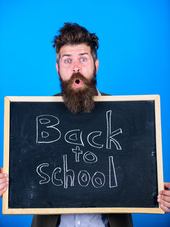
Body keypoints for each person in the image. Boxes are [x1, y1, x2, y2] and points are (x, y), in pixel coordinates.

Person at [0, 23, 170, 226]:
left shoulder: (127, 116)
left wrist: (160, 194)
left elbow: (141, 177)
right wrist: (9, 184)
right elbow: (25, 177)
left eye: (83, 58)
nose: (76, 67)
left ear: (96, 65)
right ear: (57, 68)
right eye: (67, 60)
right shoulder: (36, 119)